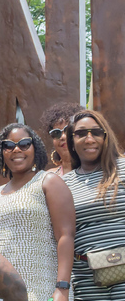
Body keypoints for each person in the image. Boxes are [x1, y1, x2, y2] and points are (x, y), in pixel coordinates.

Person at [0, 123, 75, 301]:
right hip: (3, 292)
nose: (16, 149)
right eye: (9, 146)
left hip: (42, 287)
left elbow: (66, 235)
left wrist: (62, 287)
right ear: (2, 152)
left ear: (35, 148)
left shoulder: (48, 181)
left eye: (24, 144)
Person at [63, 109, 125, 300]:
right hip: (86, 278)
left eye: (96, 132)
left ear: (105, 137)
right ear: (71, 141)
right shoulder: (64, 183)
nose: (89, 139)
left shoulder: (122, 168)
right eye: (81, 133)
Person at [39, 102, 84, 176]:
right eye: (56, 133)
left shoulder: (95, 173)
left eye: (68, 130)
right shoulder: (48, 177)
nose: (63, 137)